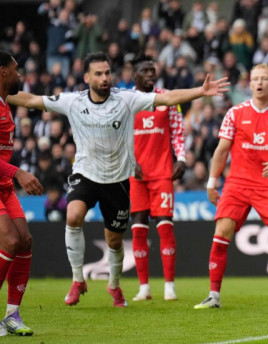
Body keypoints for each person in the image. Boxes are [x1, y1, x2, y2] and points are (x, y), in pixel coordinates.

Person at [8, 52, 229, 308]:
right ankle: (77, 280)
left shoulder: (126, 99)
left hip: (118, 180)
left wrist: (200, 92)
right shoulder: (73, 101)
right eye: (99, 74)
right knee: (72, 216)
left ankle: (114, 285)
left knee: (114, 241)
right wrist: (4, 92)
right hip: (86, 175)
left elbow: (167, 97)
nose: (105, 78)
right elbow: (33, 100)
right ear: (87, 77)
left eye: (107, 73)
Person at [194, 64, 268, 310]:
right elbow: (222, 150)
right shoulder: (234, 113)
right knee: (221, 232)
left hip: (267, 184)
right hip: (236, 183)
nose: (259, 83)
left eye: (264, 79)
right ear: (250, 84)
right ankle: (213, 295)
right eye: (255, 79)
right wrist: (212, 182)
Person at [129, 56, 188, 302]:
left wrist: (181, 158)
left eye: (153, 70)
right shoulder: (126, 101)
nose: (151, 74)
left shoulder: (168, 98)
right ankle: (144, 287)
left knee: (165, 226)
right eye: (145, 70)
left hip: (163, 172)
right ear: (135, 75)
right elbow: (119, 135)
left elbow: (177, 130)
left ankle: (169, 286)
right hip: (136, 174)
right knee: (138, 228)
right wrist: (129, 161)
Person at [0, 51, 44, 335]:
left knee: (25, 241)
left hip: (3, 187)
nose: (20, 76)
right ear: (2, 71)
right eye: (16, 70)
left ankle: (12, 315)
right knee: (9, 240)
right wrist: (18, 172)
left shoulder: (6, 104)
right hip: (5, 181)